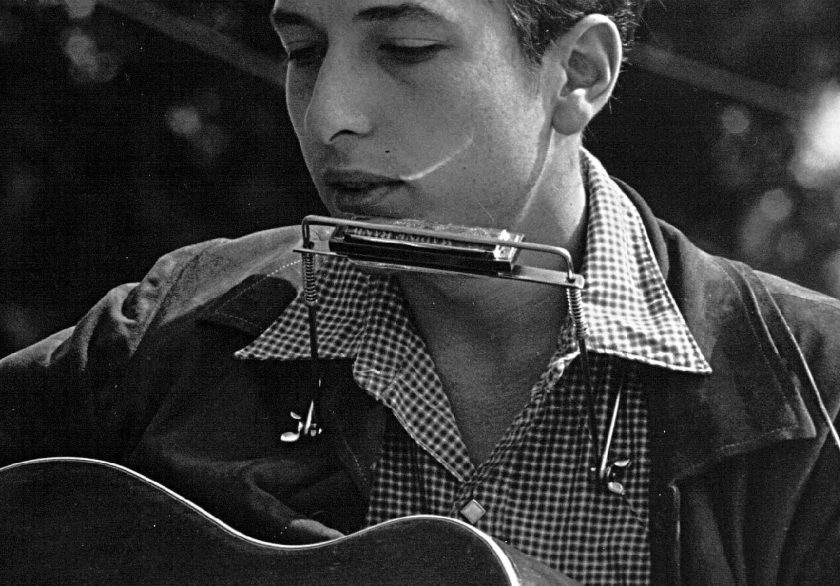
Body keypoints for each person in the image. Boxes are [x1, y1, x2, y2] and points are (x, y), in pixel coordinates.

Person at [2, 1, 840, 583]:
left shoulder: (816, 392)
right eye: (303, 51)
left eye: (404, 49)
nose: (330, 114)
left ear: (578, 73)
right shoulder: (173, 325)